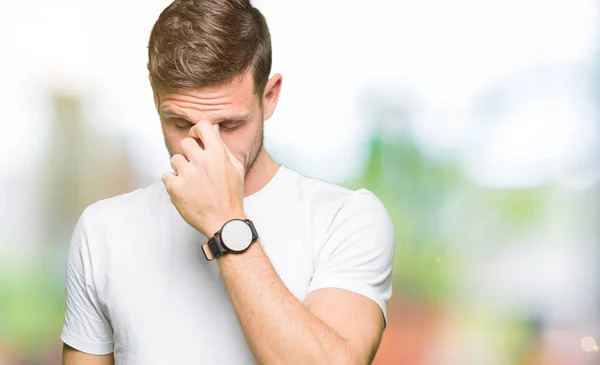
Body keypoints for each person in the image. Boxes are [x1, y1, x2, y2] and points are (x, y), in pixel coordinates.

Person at [60, 0, 395, 364]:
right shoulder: (103, 230)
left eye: (230, 125)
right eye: (181, 123)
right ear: (156, 99)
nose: (208, 145)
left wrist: (226, 224)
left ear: (269, 97)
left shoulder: (346, 219)